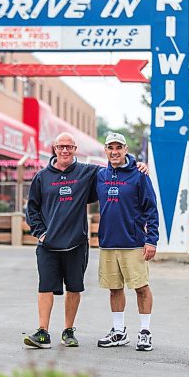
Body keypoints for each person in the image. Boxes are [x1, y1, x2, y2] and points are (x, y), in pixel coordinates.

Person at [24, 131, 148, 349]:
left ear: (74, 150)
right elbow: (32, 208)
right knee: (45, 287)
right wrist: (40, 233)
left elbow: (116, 168)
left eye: (69, 147)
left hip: (76, 243)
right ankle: (42, 332)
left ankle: (68, 331)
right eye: (60, 147)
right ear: (54, 149)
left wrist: (138, 165)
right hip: (48, 245)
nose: (64, 150)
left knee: (74, 288)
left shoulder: (88, 173)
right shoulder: (42, 177)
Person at [96, 133, 159, 352]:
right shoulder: (100, 175)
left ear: (125, 149)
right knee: (114, 288)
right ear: (105, 150)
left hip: (134, 243)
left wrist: (151, 240)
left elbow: (151, 208)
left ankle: (145, 332)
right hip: (108, 243)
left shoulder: (139, 175)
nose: (114, 151)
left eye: (118, 147)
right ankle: (119, 331)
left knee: (141, 287)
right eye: (110, 147)